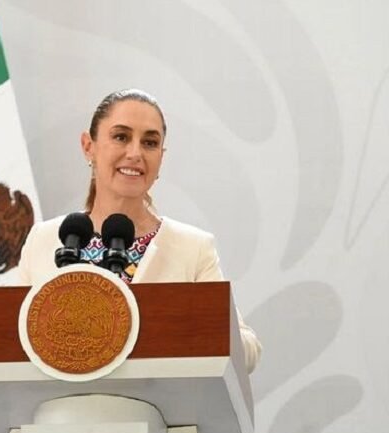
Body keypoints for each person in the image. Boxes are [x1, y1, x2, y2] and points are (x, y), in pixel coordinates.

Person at [18, 89, 261, 373]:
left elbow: (248, 351)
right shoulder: (42, 240)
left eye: (150, 143)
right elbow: (7, 339)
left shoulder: (192, 248)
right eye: (121, 137)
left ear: (161, 157)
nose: (135, 153)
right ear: (88, 146)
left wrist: (180, 328)